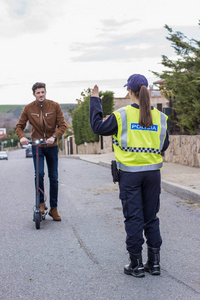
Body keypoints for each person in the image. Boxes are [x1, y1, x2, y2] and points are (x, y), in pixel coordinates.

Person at [90, 74, 169, 278]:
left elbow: (97, 127)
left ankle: (136, 265)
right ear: (147, 91)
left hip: (130, 175)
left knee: (134, 218)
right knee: (151, 218)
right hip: (153, 174)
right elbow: (164, 144)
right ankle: (155, 263)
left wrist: (95, 100)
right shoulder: (160, 117)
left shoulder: (121, 115)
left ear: (130, 92)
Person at [16, 82, 67, 221]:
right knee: (39, 174)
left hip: (52, 146)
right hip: (37, 146)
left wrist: (54, 137)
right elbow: (19, 126)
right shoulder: (28, 108)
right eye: (38, 92)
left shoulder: (54, 106)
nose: (41, 94)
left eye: (42, 92)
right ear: (34, 94)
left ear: (45, 92)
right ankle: (41, 204)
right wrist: (22, 137)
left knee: (54, 177)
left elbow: (62, 125)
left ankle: (54, 208)